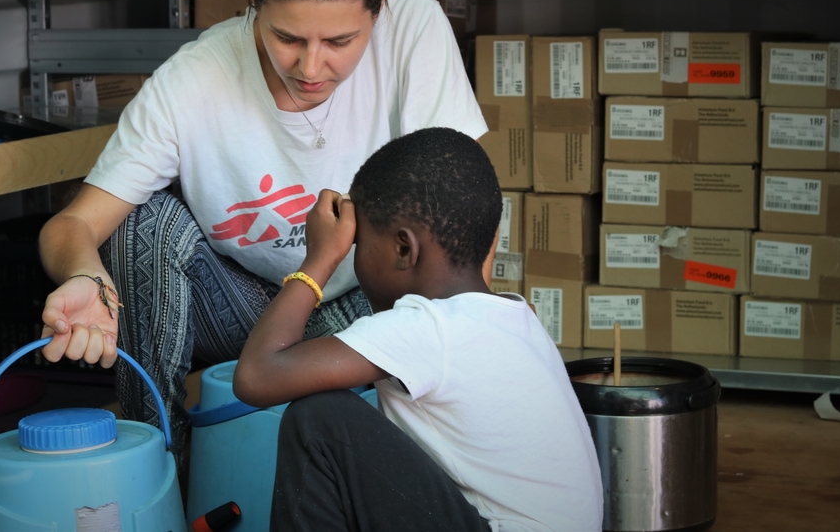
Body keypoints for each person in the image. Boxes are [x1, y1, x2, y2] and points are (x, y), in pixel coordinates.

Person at [36, 0, 488, 467]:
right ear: (254, 2)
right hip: (249, 309)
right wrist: (86, 277)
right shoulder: (193, 81)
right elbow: (72, 224)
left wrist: (468, 345)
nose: (310, 67)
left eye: (340, 42)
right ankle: (155, 462)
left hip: (370, 304)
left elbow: (468, 212)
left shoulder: (413, 28)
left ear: (379, 9)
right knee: (142, 223)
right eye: (288, 38)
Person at [234, 127, 604, 532]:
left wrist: (319, 259)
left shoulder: (429, 328)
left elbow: (257, 375)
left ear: (404, 249)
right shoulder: (515, 320)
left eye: (357, 245)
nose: (352, 258)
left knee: (320, 421)